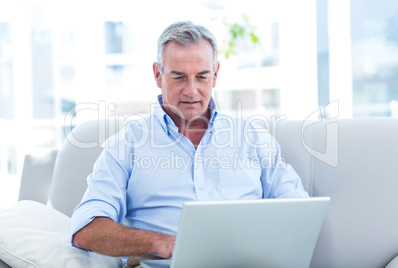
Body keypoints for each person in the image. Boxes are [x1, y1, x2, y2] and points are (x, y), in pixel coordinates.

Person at [71, 21, 309, 267]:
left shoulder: (253, 139)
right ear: (157, 74)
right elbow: (86, 229)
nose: (191, 91)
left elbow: (300, 212)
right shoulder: (126, 145)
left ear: (215, 75)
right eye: (179, 77)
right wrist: (162, 243)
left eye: (202, 77)